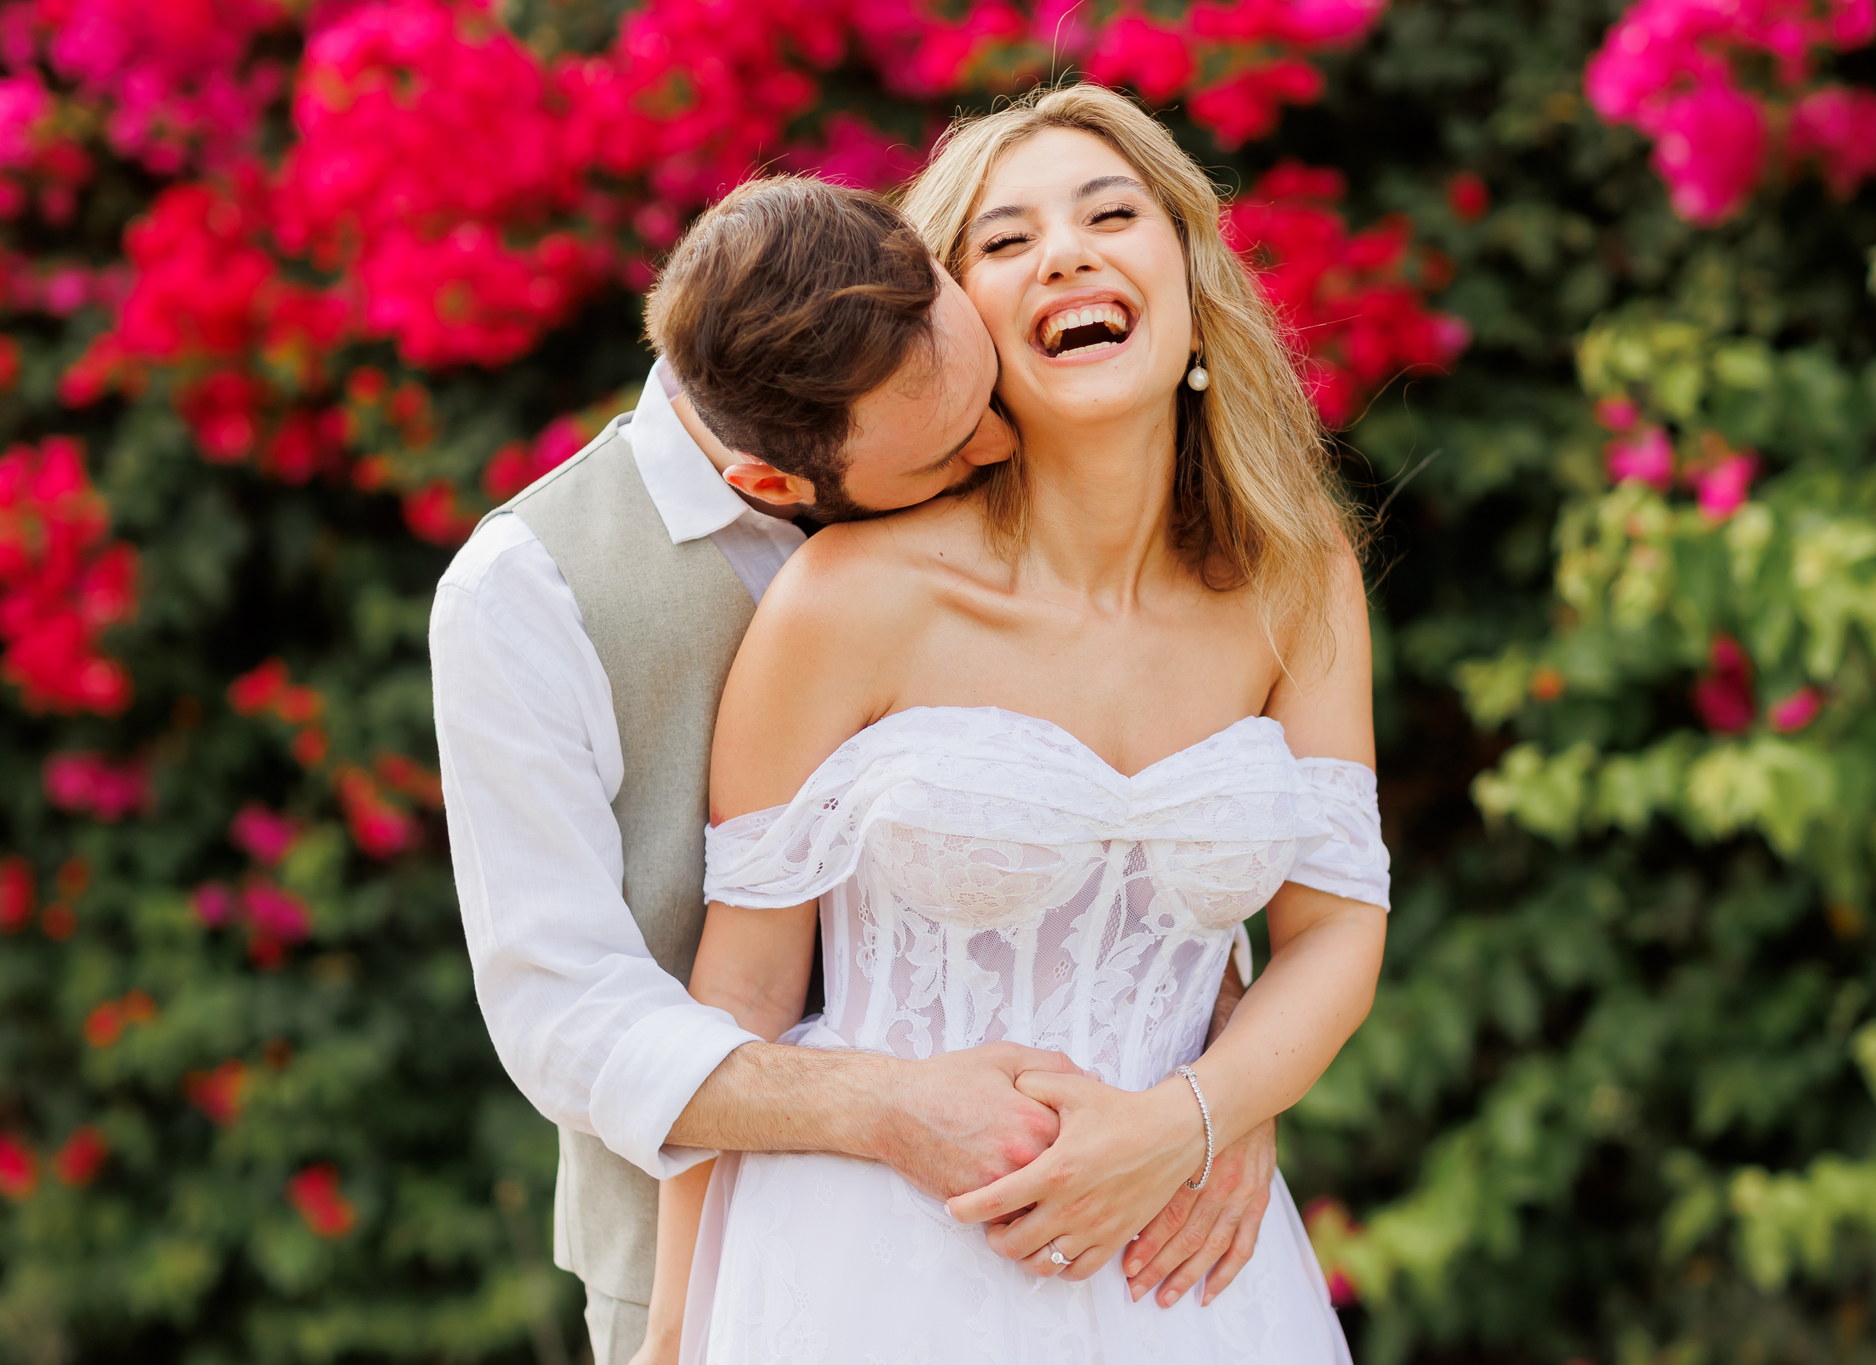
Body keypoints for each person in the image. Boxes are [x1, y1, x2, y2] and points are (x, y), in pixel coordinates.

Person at [429, 176, 1276, 1365]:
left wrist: (1218, 1089)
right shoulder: (527, 592)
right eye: (944, 455)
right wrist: (880, 1109)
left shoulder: (963, 413)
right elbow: (560, 1008)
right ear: (770, 486)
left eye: (985, 391)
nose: (996, 444)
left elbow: (1122, 802)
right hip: (727, 1271)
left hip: (1097, 1233)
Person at [645, 84, 1391, 1364]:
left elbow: (1333, 927)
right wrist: (671, 1332)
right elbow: (744, 991)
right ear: (959, 330)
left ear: (1191, 280)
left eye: (1112, 214)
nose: (1066, 252)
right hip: (870, 1267)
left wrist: (1194, 1119)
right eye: (1003, 242)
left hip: (1187, 1267)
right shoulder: (847, 600)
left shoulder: (1293, 569)